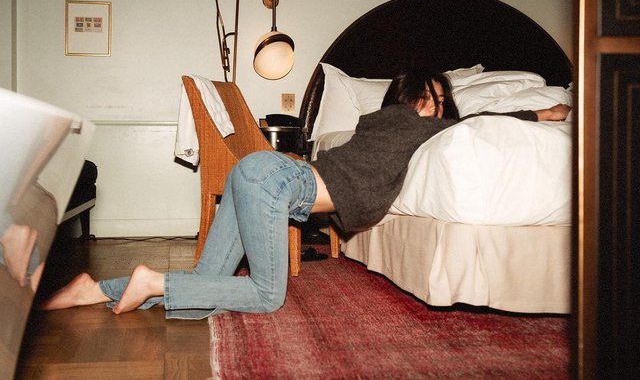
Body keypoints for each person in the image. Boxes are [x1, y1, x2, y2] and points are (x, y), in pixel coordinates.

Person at [41, 69, 571, 319]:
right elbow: (476, 119)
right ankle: (152, 280)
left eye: (438, 100)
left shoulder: (373, 123)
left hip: (257, 173)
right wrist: (540, 112)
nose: (435, 108)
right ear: (414, 101)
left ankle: (98, 288)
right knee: (266, 296)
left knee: (204, 289)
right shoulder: (421, 127)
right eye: (430, 98)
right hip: (279, 182)